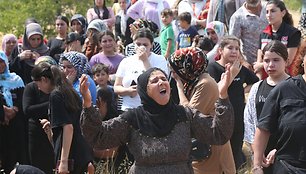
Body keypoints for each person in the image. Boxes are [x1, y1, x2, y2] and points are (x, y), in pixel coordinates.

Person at [80, 64, 234, 173]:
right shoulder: (133, 119)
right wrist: (88, 104)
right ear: (144, 91)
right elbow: (98, 136)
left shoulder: (185, 114)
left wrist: (223, 96)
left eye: (163, 79)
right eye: (154, 81)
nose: (161, 82)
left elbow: (219, 133)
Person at [169, 47, 236, 173]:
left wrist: (178, 86)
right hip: (203, 146)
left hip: (212, 149)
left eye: (175, 68)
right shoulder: (195, 81)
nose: (173, 72)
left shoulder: (205, 84)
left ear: (187, 67)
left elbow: (188, 115)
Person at [30, 62, 94, 174]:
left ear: (44, 79)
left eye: (38, 83)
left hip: (70, 154)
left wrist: (63, 162)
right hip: (81, 150)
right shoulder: (69, 91)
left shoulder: (56, 95)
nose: (38, 88)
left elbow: (68, 127)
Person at [252, 44, 306, 174]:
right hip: (289, 167)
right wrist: (257, 166)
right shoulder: (284, 89)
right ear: (303, 60)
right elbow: (263, 128)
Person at [207, 35, 259, 169]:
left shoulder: (240, 68)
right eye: (230, 48)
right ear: (220, 50)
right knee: (222, 148)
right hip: (220, 115)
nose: (234, 51)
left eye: (237, 48)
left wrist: (243, 88)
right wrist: (232, 75)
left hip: (238, 113)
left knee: (236, 146)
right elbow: (216, 92)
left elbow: (256, 82)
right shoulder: (213, 67)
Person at [244, 40, 290, 174]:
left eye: (276, 60)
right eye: (266, 60)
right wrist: (256, 150)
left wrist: (281, 149)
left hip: (287, 154)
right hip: (261, 155)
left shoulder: (295, 87)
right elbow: (250, 120)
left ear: (286, 61)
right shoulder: (257, 88)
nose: (271, 65)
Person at [114, 28, 168, 112]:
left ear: (151, 45)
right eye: (138, 44)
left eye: (145, 44)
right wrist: (127, 91)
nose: (141, 47)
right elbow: (117, 86)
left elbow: (158, 81)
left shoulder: (159, 59)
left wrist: (145, 60)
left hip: (150, 109)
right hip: (129, 108)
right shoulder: (126, 61)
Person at [22, 56, 57, 174]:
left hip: (55, 131)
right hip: (36, 132)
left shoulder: (57, 89)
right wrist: (52, 104)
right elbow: (28, 110)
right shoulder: (32, 87)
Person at [254, 0, 301, 79]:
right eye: (267, 12)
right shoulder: (263, 34)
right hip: (266, 79)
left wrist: (262, 65)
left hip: (286, 79)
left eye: (273, 11)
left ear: (283, 13)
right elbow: (259, 61)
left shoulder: (293, 33)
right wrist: (259, 82)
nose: (269, 15)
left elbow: (288, 61)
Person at [0, 51, 26, 174]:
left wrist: (14, 110)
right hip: (1, 125)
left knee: (16, 153)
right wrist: (4, 111)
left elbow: (23, 99)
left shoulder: (15, 79)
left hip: (16, 124)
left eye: (1, 62)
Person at [229, 0, 268, 65]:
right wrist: (244, 63)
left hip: (273, 62)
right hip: (251, 64)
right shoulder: (238, 17)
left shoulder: (270, 8)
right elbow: (233, 43)